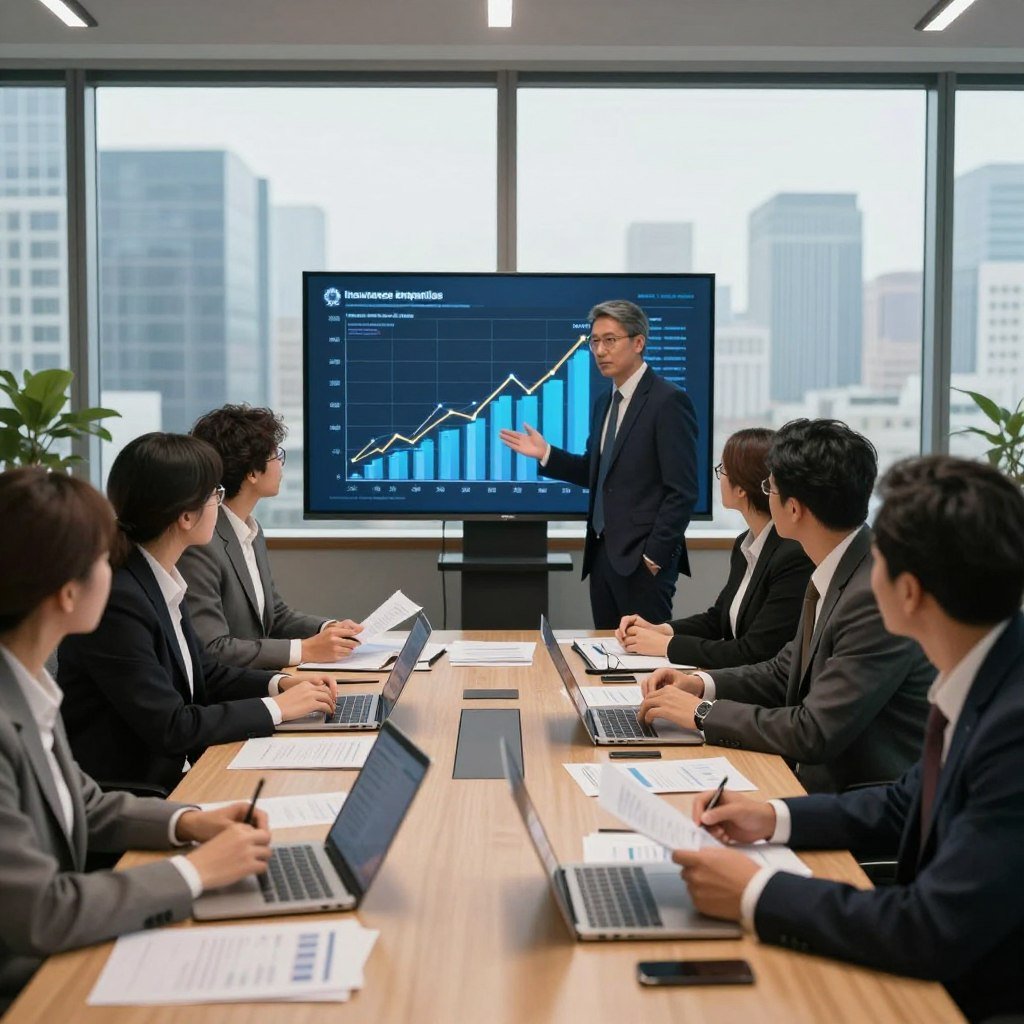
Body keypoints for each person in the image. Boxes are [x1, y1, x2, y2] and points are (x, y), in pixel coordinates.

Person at [671, 455, 1024, 1024]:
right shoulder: (987, 672)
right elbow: (903, 800)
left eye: (878, 556)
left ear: (908, 593)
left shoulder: (1013, 728)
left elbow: (929, 928)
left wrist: (757, 892)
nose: (867, 569)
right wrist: (773, 816)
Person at [0, 468, 273, 1010]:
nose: (116, 569)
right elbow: (43, 913)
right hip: (28, 989)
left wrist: (190, 821)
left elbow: (85, 802)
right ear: (67, 591)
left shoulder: (27, 684)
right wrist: (196, 871)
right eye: (104, 559)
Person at [638, 419, 932, 793]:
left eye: (769, 487)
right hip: (811, 782)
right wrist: (700, 684)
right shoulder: (841, 567)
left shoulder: (873, 595)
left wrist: (701, 714)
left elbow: (814, 731)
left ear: (793, 509)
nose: (766, 495)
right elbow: (783, 671)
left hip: (858, 804)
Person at [58, 433, 337, 793]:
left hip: (181, 773)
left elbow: (206, 673)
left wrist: (281, 683)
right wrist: (278, 708)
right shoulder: (119, 601)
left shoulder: (158, 577)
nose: (219, 505)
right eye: (214, 495)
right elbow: (172, 727)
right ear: (186, 516)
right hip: (141, 794)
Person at [499, 299, 699, 629]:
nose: (600, 351)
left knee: (641, 662)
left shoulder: (668, 401)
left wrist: (653, 558)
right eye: (594, 341)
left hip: (643, 563)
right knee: (607, 657)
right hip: (603, 558)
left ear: (638, 343)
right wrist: (547, 453)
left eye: (610, 340)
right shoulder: (605, 401)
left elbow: (683, 491)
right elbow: (597, 472)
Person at [180, 404, 361, 670]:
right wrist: (305, 649)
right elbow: (213, 649)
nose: (280, 465)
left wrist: (328, 628)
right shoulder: (202, 542)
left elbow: (273, 615)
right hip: (229, 695)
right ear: (252, 473)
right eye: (276, 455)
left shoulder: (250, 529)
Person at [616, 427, 812, 668]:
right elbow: (717, 619)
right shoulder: (746, 543)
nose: (719, 477)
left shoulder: (792, 555)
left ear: (742, 489)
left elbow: (754, 652)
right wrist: (661, 630)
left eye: (723, 470)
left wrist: (665, 646)